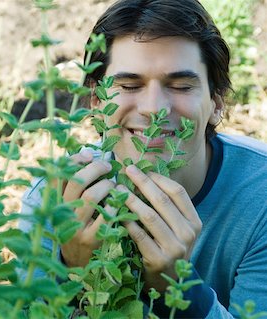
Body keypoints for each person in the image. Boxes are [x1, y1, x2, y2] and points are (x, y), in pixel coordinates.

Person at [19, 0, 267, 317]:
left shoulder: (261, 199)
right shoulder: (55, 196)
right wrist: (71, 272)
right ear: (96, 100)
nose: (154, 109)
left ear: (216, 102)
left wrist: (180, 290)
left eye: (180, 85)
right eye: (129, 85)